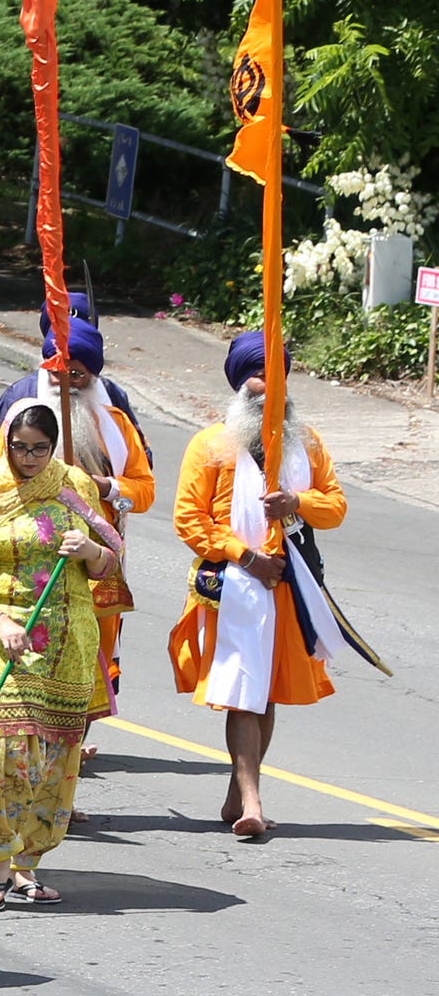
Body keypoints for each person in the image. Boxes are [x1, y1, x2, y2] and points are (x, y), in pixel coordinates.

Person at [168, 330, 351, 840]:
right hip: (233, 585)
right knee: (241, 692)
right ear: (238, 383)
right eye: (257, 373)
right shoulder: (208, 445)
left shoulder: (307, 443)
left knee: (263, 694)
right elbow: (190, 519)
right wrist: (246, 557)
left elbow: (334, 507)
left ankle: (237, 792)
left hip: (290, 585)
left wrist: (298, 504)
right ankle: (252, 800)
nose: (267, 384)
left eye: (275, 374)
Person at [0, 401, 120, 910]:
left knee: (50, 760)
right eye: (19, 447)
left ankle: (28, 867)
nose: (28, 459)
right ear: (5, 443)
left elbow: (109, 562)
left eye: (39, 449)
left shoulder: (74, 486)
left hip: (66, 644)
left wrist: (89, 551)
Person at [0, 319, 154, 742]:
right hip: (31, 557)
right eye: (59, 371)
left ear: (94, 376)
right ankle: (29, 738)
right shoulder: (22, 417)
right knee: (33, 648)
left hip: (93, 558)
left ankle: (73, 741)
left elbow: (145, 488)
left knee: (85, 651)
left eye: (78, 373)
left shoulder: (115, 422)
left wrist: (103, 487)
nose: (67, 382)